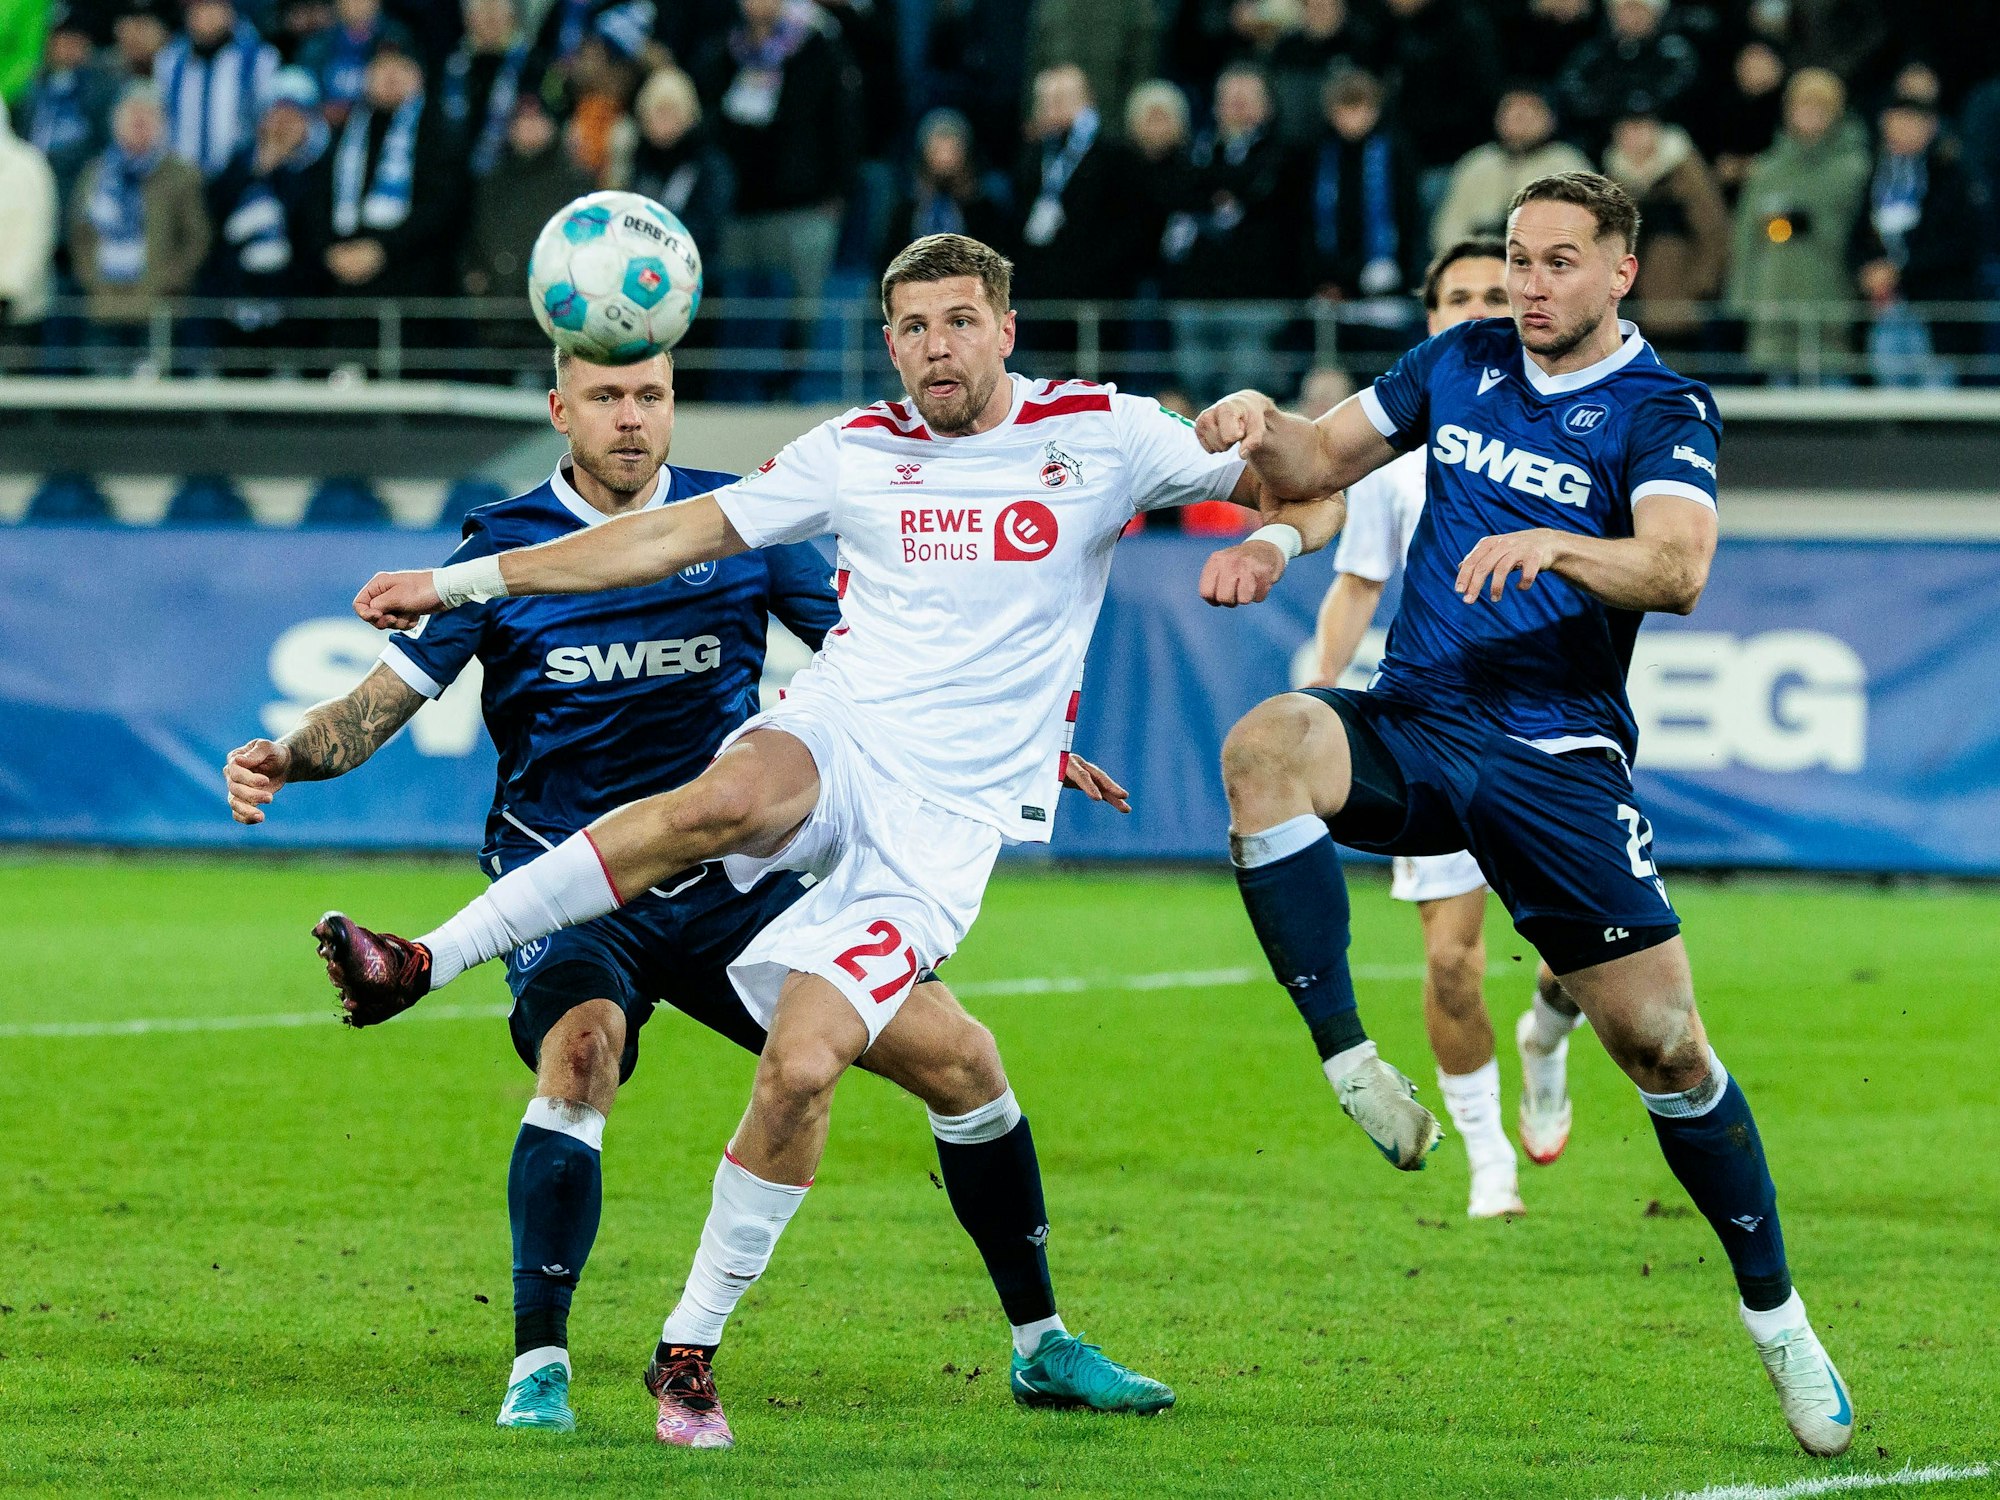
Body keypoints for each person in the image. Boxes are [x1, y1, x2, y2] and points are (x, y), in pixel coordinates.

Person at [319, 233, 1279, 1445]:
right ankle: (424, 962)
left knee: (913, 1069)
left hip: (939, 825)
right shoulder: (854, 450)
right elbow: (664, 537)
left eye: (961, 320)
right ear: (889, 341)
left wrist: (1270, 519)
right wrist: (464, 584)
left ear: (1005, 328)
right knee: (724, 802)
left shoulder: (1106, 433)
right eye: (915, 326)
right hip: (839, 738)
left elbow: (1312, 472)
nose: (939, 345)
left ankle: (976, 1346)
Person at [1193, 171, 1854, 1458]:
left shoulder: (1661, 407)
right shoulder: (1460, 358)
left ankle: (1778, 1322)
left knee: (1664, 1048)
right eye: (1517, 257)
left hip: (1557, 756)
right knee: (1265, 743)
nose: (1531, 284)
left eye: (1558, 262)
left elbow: (1676, 568)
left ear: (1620, 273)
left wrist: (1557, 549)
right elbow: (1317, 461)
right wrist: (1253, 424)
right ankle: (1351, 1064)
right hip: (1424, 717)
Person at [1303, 237, 1582, 1217]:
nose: (1471, 309)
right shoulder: (1393, 457)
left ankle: (1546, 1037)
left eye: (1488, 295)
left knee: (1583, 957)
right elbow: (1355, 582)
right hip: (1434, 729)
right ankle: (1486, 1160)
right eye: (1452, 297)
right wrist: (1321, 679)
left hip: (1553, 726)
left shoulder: (1571, 426)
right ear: (1428, 322)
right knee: (1451, 963)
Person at [1727, 68, 1868, 384]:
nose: (1809, 116)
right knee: (1779, 401)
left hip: (1829, 295)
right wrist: (1741, 298)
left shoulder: (1853, 169)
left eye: (1820, 108)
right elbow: (1746, 238)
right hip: (1774, 297)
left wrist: (1811, 224)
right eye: (1801, 106)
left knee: (1835, 387)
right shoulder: (1767, 170)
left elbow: (1859, 234)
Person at [69, 83, 210, 364]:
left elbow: (196, 239)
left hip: (157, 308)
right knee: (102, 395)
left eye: (146, 118)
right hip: (104, 304)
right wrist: (91, 279)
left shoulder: (180, 175)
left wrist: (169, 282)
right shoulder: (96, 174)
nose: (139, 125)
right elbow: (79, 235)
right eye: (132, 117)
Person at [202, 65, 331, 364]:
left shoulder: (323, 168)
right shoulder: (239, 163)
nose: (283, 124)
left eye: (294, 115)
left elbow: (311, 232)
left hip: (295, 307)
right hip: (238, 304)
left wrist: (283, 174)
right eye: (277, 113)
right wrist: (258, 172)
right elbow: (217, 221)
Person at [1601, 105, 1727, 349]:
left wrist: (1700, 287)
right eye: (1626, 129)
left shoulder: (1686, 173)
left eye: (1640, 127)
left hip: (1680, 303)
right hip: (1626, 304)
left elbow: (1714, 234)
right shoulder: (1612, 178)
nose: (1632, 136)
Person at [1431, 84, 1592, 251]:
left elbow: (1583, 229)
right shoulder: (1477, 162)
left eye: (1530, 109)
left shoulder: (1568, 163)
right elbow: (1448, 229)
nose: (1520, 116)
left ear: (1551, 119)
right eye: (1511, 108)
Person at [154, 0, 280, 180]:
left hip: (240, 174)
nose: (205, 16)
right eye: (197, 9)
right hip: (185, 176)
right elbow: (163, 116)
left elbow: (267, 113)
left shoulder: (258, 58)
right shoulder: (170, 61)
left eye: (212, 6)